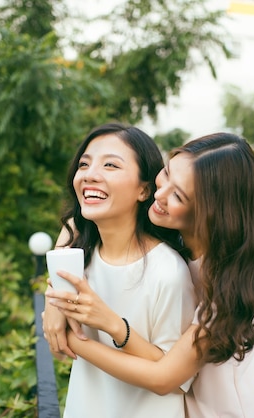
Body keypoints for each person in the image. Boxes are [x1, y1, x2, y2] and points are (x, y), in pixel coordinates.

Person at [46, 132, 254, 417]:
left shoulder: (231, 279)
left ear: (210, 211)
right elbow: (76, 222)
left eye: (178, 195)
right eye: (166, 174)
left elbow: (165, 377)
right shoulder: (176, 238)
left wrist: (75, 337)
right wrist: (56, 299)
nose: (159, 195)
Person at [45, 122, 196, 418]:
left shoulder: (167, 272)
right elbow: (73, 226)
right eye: (84, 164)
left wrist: (103, 326)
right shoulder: (80, 257)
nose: (90, 174)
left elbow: (175, 380)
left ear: (144, 190)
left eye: (111, 165)